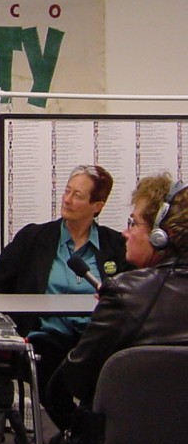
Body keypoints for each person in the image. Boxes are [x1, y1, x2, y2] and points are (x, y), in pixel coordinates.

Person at [0, 164, 131, 427]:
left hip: (94, 338)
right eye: (67, 191)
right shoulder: (33, 238)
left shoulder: (116, 245)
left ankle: (81, 435)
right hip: (45, 337)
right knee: (49, 371)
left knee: (109, 369)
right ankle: (77, 434)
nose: (67, 199)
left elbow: (130, 296)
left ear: (97, 206)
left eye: (78, 195)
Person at [46, 174, 188, 430]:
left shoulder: (125, 294)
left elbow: (76, 380)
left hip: (129, 440)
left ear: (160, 236)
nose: (125, 233)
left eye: (133, 223)